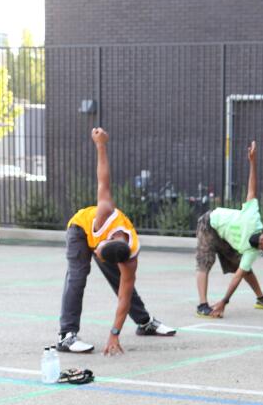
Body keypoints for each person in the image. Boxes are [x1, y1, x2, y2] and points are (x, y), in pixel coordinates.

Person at [56, 127, 176, 355]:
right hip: (80, 229)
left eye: (98, 253)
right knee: (78, 276)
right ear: (105, 239)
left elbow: (124, 294)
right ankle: (66, 335)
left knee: (123, 284)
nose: (95, 252)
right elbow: (103, 178)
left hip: (109, 247)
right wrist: (101, 145)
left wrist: (114, 333)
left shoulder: (130, 257)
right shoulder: (105, 211)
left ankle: (144, 323)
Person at [195, 141, 263, 317]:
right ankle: (203, 305)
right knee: (205, 262)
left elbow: (237, 277)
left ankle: (261, 299)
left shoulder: (251, 252)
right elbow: (252, 189)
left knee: (243, 268)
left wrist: (224, 301)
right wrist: (252, 162)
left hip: (227, 239)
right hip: (210, 225)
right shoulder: (253, 217)